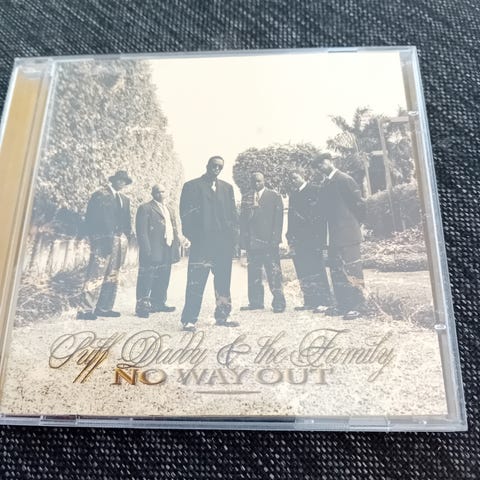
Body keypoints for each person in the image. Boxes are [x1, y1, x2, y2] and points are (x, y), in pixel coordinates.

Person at [179, 156, 239, 331]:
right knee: (195, 282)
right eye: (214, 165)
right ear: (207, 166)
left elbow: (233, 216)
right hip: (202, 244)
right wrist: (194, 237)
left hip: (223, 245)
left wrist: (232, 239)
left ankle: (223, 316)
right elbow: (185, 215)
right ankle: (189, 320)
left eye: (220, 166)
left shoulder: (227, 188)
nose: (216, 168)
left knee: (223, 282)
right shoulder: (191, 186)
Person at [313, 154, 367, 320]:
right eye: (318, 165)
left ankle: (358, 306)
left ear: (330, 161)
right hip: (334, 236)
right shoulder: (325, 184)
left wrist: (355, 225)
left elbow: (359, 204)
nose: (321, 166)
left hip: (348, 234)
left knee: (352, 270)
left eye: (323, 162)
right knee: (337, 271)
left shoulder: (344, 179)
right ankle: (343, 305)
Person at [77, 170, 133, 320]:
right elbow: (91, 218)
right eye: (120, 180)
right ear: (113, 180)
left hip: (120, 240)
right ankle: (85, 309)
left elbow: (127, 221)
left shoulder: (125, 199)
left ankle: (104, 307)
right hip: (102, 240)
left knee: (113, 274)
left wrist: (126, 236)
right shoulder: (100, 195)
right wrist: (96, 239)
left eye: (125, 181)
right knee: (96, 273)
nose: (122, 183)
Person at [240, 172, 286, 313]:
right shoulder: (246, 197)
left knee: (274, 273)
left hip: (269, 243)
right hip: (253, 243)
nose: (256, 184)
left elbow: (278, 221)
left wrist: (275, 240)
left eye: (259, 181)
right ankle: (255, 302)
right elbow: (243, 222)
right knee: (254, 274)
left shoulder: (274, 196)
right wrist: (244, 244)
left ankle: (279, 303)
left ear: (264, 181)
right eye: (254, 181)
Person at [286, 169, 331, 311]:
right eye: (291, 179)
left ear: (303, 176)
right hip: (298, 239)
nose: (293, 181)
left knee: (317, 269)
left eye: (295, 177)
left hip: (313, 238)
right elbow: (291, 217)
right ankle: (309, 301)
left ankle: (324, 301)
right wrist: (289, 236)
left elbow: (321, 216)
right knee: (303, 270)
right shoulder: (293, 195)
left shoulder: (315, 190)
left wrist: (321, 240)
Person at [135, 184, 180, 318]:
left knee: (163, 276)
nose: (161, 194)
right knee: (147, 278)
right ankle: (142, 307)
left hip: (167, 247)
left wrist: (175, 246)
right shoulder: (145, 208)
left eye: (163, 191)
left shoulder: (170, 209)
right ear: (153, 194)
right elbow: (142, 232)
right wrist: (146, 250)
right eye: (157, 192)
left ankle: (159, 303)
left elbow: (174, 229)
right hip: (152, 248)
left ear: (166, 193)